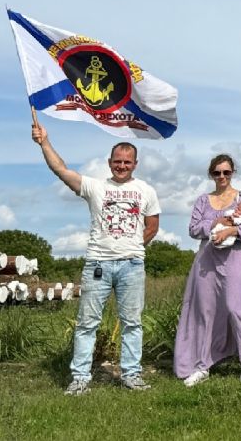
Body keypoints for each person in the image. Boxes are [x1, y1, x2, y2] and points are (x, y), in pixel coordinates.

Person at [32, 121, 159, 395]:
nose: (121, 166)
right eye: (117, 161)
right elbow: (61, 170)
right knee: (87, 324)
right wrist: (44, 142)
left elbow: (152, 226)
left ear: (135, 164)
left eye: (127, 162)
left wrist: (135, 246)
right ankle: (79, 378)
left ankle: (131, 375)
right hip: (97, 265)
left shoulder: (146, 190)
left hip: (132, 266)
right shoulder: (95, 187)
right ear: (109, 162)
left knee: (132, 323)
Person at [177, 154, 241, 386]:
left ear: (233, 172)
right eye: (217, 173)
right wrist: (215, 224)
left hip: (235, 258)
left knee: (237, 308)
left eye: (226, 172)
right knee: (205, 312)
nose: (222, 176)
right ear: (211, 174)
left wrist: (231, 231)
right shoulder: (203, 201)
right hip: (207, 262)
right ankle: (202, 364)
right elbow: (193, 229)